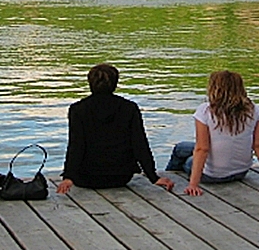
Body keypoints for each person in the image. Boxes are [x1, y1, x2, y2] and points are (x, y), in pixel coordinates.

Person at [166, 70, 259, 196]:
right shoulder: (254, 110)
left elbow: (202, 149)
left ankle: (167, 177)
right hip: (241, 172)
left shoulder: (205, 111)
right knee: (182, 147)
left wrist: (193, 184)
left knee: (185, 158)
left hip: (211, 175)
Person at [56, 64, 175, 193]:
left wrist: (69, 176)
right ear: (115, 83)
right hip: (120, 177)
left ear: (90, 83)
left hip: (85, 178)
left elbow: (76, 145)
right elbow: (140, 144)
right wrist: (153, 177)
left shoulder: (78, 109)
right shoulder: (129, 108)